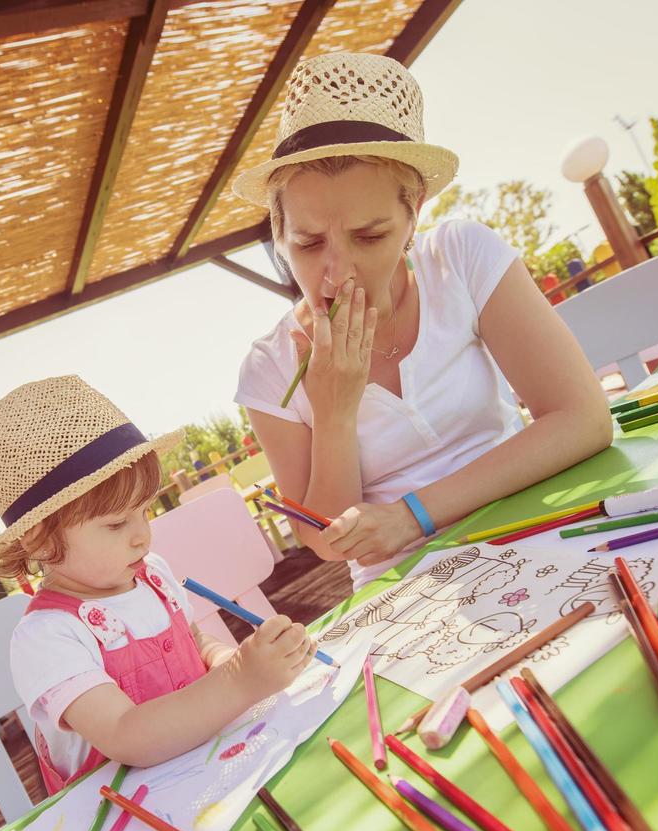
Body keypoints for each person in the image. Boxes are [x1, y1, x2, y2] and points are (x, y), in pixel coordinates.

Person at [232, 52, 612, 589]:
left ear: (415, 214)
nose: (337, 271)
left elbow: (584, 418)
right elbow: (324, 539)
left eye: (370, 236)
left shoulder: (459, 258)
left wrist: (414, 514)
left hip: (538, 512)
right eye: (308, 242)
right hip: (408, 585)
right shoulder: (269, 369)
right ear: (278, 232)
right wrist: (335, 412)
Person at [0, 376, 315, 792]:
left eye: (145, 511)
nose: (142, 535)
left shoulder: (151, 574)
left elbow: (196, 644)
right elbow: (126, 735)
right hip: (128, 819)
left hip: (213, 776)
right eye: (116, 523)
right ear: (39, 538)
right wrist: (242, 679)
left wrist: (232, 659)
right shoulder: (47, 637)